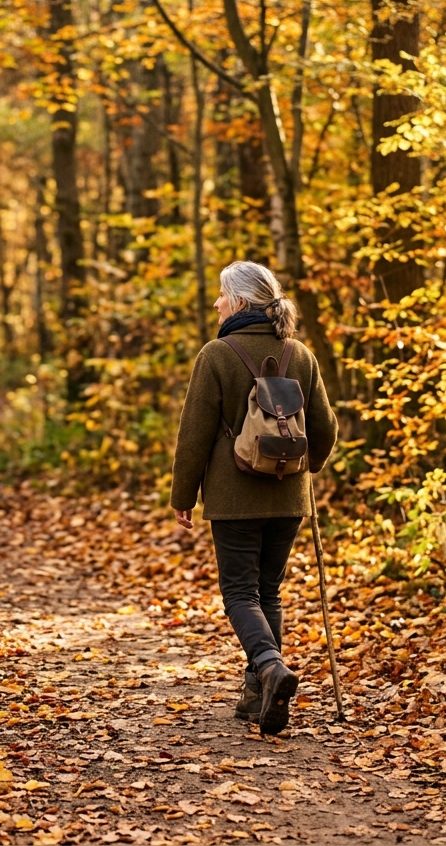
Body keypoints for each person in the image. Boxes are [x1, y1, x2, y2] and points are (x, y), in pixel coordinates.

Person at [170, 261, 338, 736]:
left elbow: (194, 434)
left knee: (241, 593)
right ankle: (256, 695)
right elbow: (325, 429)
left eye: (223, 296)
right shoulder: (299, 355)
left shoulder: (217, 354)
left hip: (234, 497)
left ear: (241, 302)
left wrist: (183, 495)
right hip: (289, 499)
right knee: (268, 592)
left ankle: (269, 666)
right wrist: (306, 469)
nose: (218, 304)